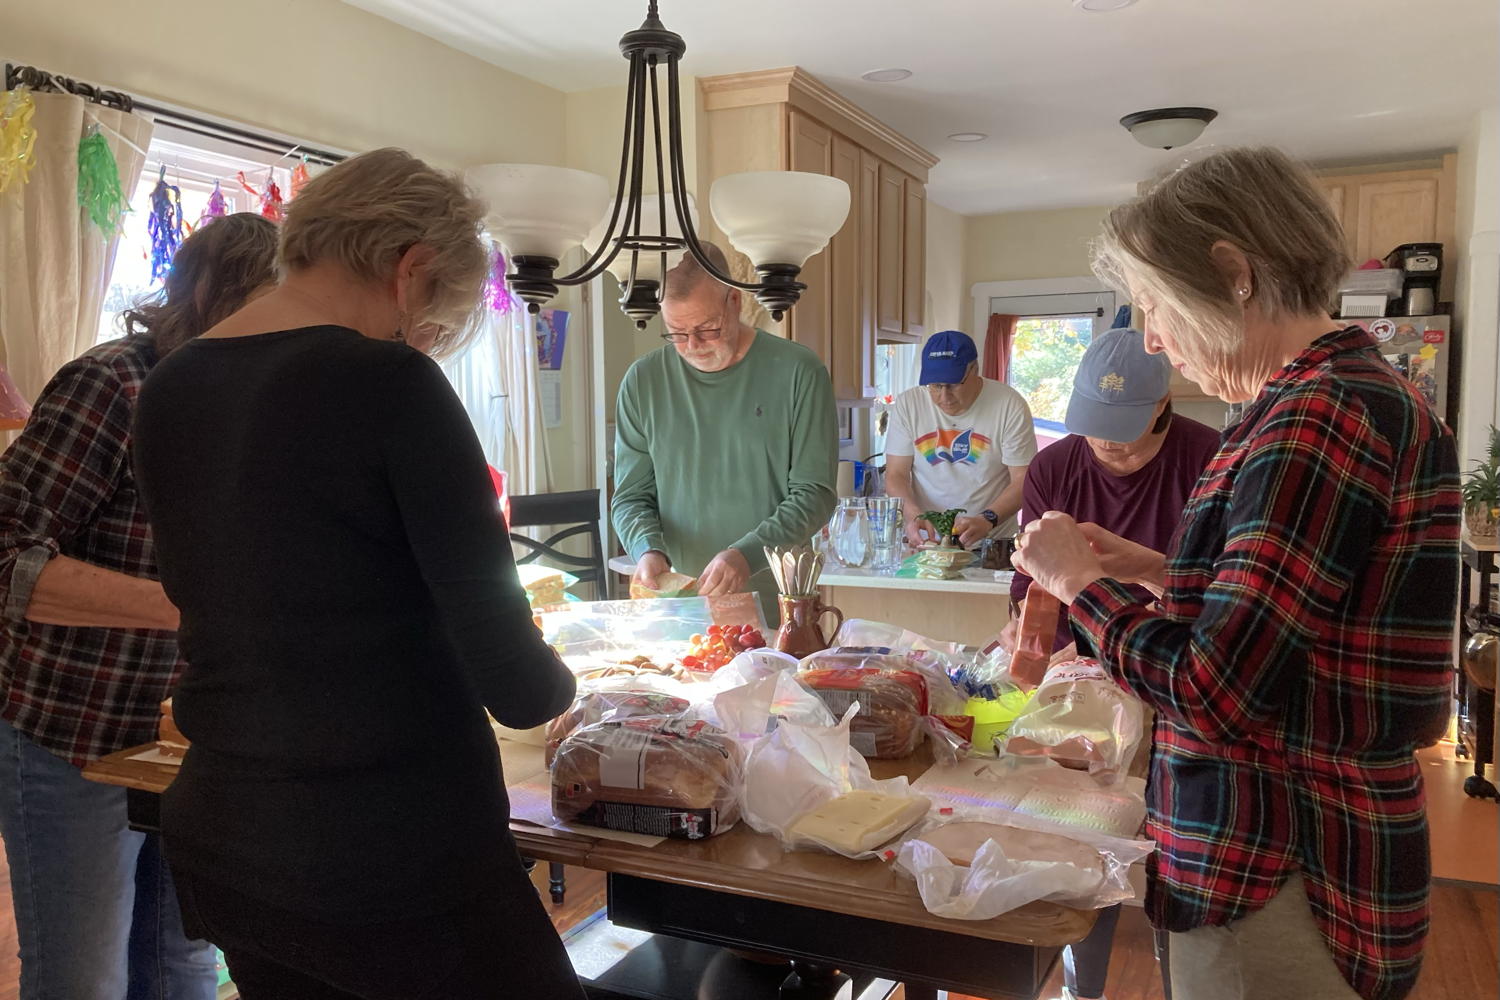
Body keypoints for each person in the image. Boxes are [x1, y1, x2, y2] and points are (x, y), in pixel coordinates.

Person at [132, 148, 583, 999]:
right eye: (430, 323)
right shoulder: (387, 381)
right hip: (391, 853)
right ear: (409, 273)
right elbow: (515, 681)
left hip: (227, 834)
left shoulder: (172, 387)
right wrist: (578, 688)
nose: (421, 342)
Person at [1013, 147, 1459, 1000]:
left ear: (1232, 273)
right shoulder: (1333, 396)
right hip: (1308, 848)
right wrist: (1158, 569)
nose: (1150, 337)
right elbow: (1298, 624)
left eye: (1154, 305)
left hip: (1280, 861)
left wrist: (1082, 587)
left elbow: (1220, 691)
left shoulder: (1313, 418)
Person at [0, 212, 277, 1000]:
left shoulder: (245, 401)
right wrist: (185, 609)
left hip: (188, 745)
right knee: (81, 977)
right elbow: (7, 556)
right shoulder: (113, 384)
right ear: (214, 299)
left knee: (184, 965)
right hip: (71, 738)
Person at [1004, 326, 1220, 1000]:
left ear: (1164, 405)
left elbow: (1223, 598)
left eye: (1125, 427)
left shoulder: (1210, 458)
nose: (1109, 444)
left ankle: (1180, 971)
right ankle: (1080, 989)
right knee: (1081, 838)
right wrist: (1039, 653)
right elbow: (1029, 594)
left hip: (1176, 680)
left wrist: (1151, 581)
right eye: (1097, 425)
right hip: (1083, 683)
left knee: (1173, 851)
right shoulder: (1054, 468)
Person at [613, 242, 838, 617]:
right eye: (676, 333)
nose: (692, 346)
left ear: (734, 301)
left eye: (707, 328)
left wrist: (746, 556)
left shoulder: (799, 372)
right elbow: (630, 496)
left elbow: (815, 494)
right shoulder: (643, 381)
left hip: (779, 604)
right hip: (679, 607)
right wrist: (647, 549)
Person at [884, 330, 1036, 548]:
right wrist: (912, 515)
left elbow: (1024, 480)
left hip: (992, 543)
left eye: (954, 385)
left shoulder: (1009, 404)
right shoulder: (909, 404)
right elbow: (896, 474)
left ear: (974, 369)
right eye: (935, 386)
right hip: (929, 543)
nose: (944, 397)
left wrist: (988, 519)